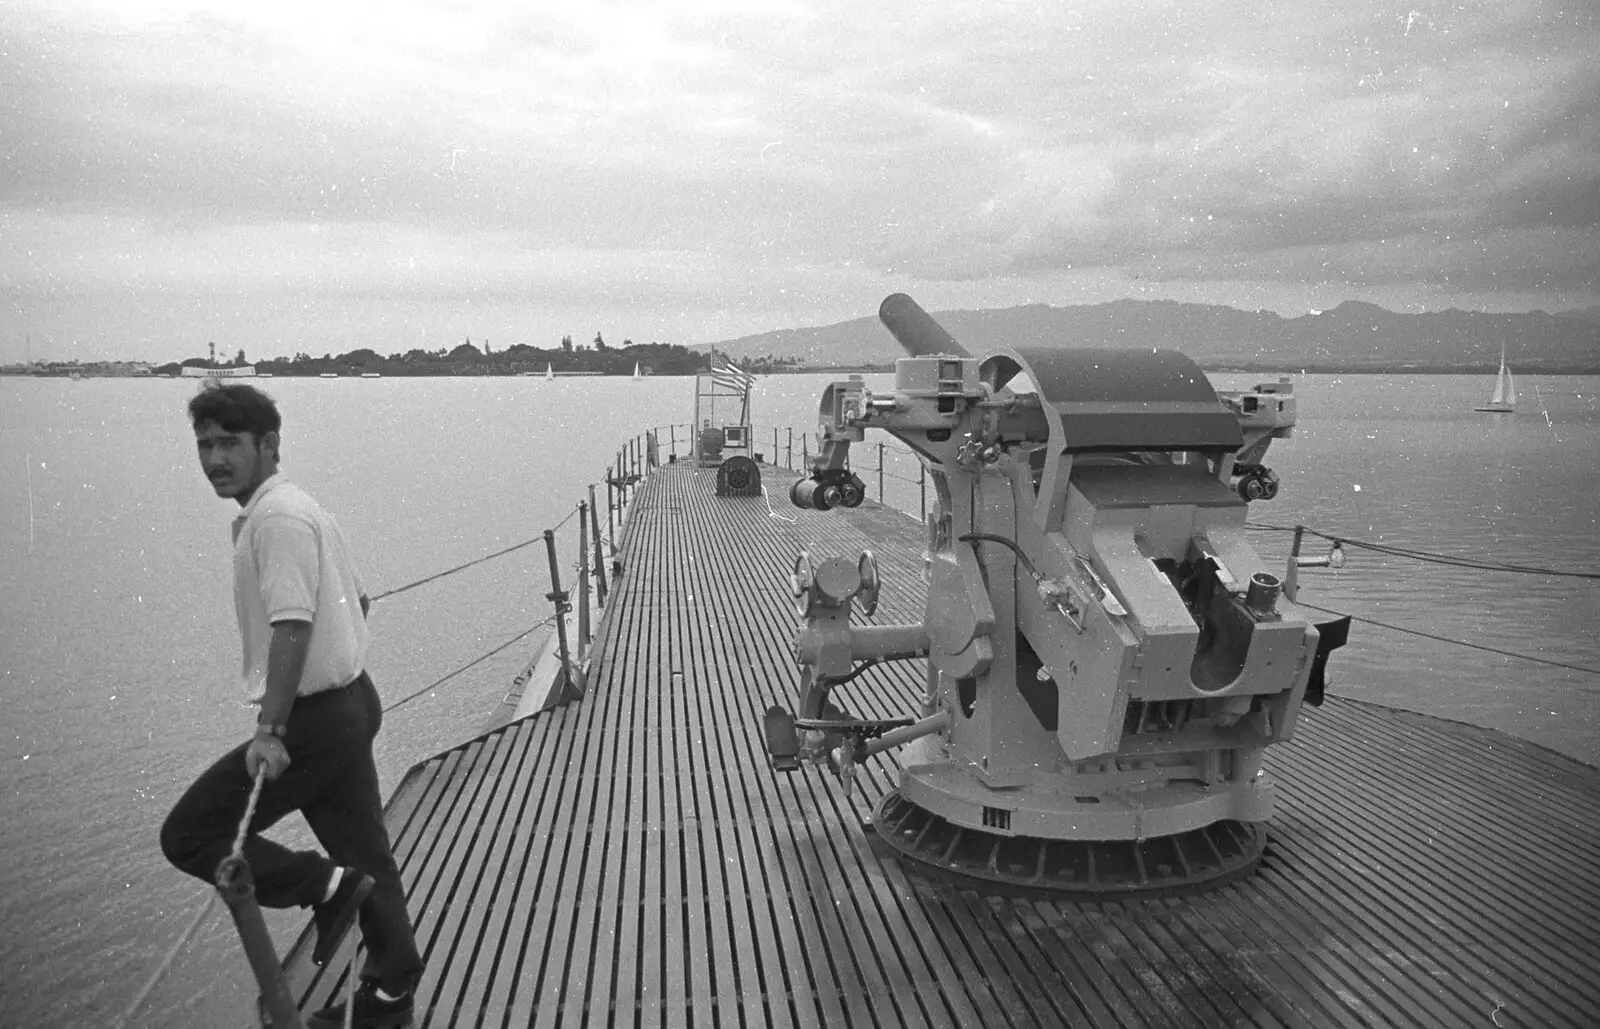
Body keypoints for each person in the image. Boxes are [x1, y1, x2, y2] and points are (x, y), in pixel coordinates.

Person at [159, 383, 422, 1028]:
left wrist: (271, 727)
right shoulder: (304, 510)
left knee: (188, 834)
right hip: (352, 703)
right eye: (205, 445)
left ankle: (320, 887)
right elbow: (357, 602)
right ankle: (392, 993)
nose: (215, 458)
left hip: (316, 722)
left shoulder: (274, 520)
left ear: (268, 445)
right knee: (368, 856)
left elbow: (292, 624)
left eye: (229, 443)